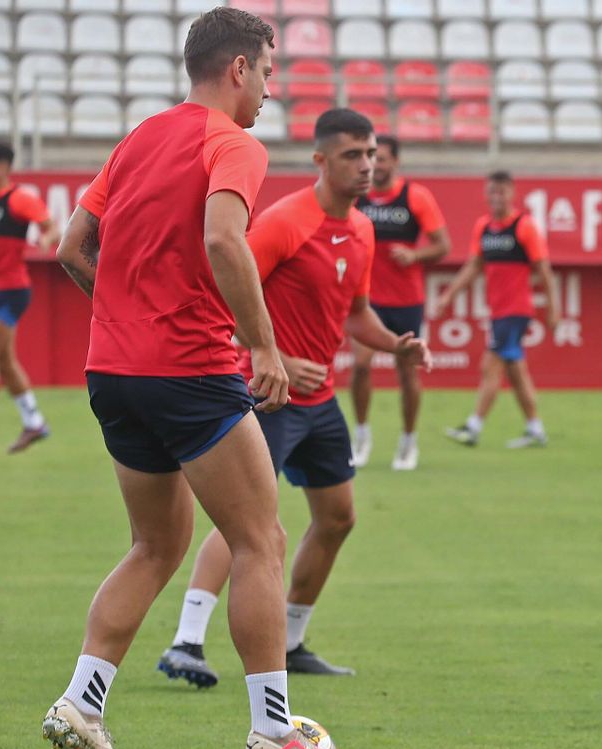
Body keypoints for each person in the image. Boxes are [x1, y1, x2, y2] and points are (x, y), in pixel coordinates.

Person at [44, 7, 355, 749]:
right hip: (190, 370)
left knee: (157, 545)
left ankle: (82, 702)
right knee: (260, 539)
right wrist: (263, 344)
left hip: (113, 372)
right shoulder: (233, 144)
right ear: (238, 69)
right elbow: (223, 239)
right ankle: (275, 733)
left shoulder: (139, 137)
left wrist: (122, 315)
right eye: (269, 73)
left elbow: (73, 248)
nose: (270, 93)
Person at [158, 108, 430, 688]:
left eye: (372, 154)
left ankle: (295, 637)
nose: (367, 165)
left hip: (320, 402)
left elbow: (355, 313)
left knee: (337, 519)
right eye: (353, 155)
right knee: (246, 523)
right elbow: (222, 293)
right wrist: (271, 354)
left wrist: (394, 346)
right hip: (267, 397)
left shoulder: (362, 230)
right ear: (320, 161)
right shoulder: (285, 222)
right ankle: (186, 642)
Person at [436, 170, 560, 449]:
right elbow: (473, 266)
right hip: (497, 310)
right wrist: (449, 295)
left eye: (501, 191)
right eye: (491, 191)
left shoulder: (524, 227)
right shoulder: (483, 227)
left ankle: (473, 427)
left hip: (515, 311)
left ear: (512, 193)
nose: (496, 197)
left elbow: (545, 271)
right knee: (516, 372)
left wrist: (553, 310)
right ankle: (535, 428)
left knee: (489, 366)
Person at [350, 133, 449, 471]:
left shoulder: (415, 197)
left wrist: (414, 254)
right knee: (361, 365)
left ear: (396, 161)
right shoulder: (356, 197)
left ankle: (408, 441)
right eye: (373, 157)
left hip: (407, 301)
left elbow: (442, 245)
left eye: (384, 157)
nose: (377, 164)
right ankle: (361, 434)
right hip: (367, 300)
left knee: (407, 373)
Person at [0, 141, 59, 452]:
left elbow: (51, 226)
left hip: (9, 289)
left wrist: (46, 238)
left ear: (3, 166)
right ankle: (34, 423)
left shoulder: (19, 199)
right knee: (4, 362)